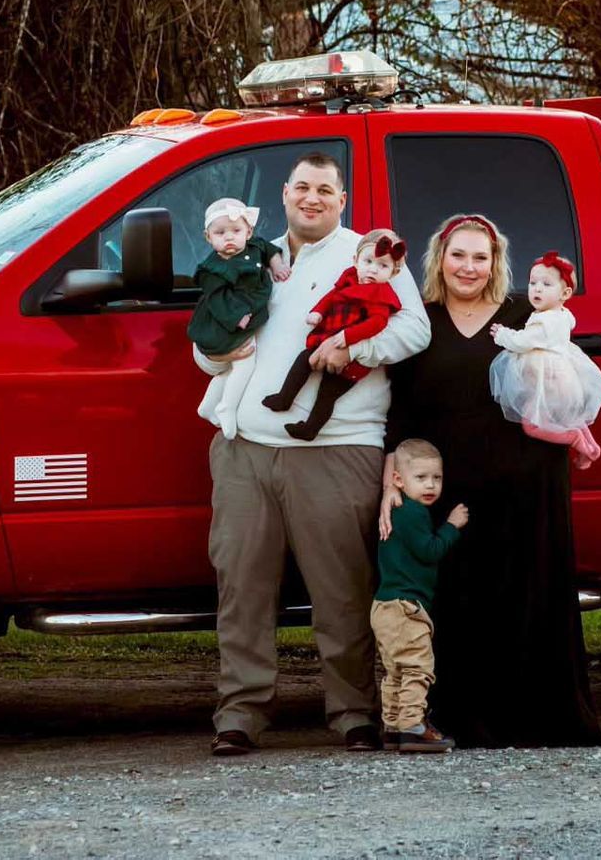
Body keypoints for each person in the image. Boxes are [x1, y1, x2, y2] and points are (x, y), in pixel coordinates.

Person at [193, 153, 430, 756]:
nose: (312, 198)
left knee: (341, 591)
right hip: (244, 448)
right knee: (242, 587)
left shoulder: (370, 253)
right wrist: (213, 354)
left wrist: (352, 344)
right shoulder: (251, 254)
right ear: (285, 193)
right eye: (302, 187)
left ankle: (353, 712)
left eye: (326, 189)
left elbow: (414, 330)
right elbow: (208, 329)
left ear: (342, 200)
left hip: (336, 448)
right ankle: (240, 712)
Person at [382, 214, 601, 749]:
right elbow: (399, 409)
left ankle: (534, 718)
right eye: (458, 255)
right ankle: (460, 717)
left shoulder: (526, 315)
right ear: (439, 259)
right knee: (457, 595)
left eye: (480, 257)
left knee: (523, 590)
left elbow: (565, 379)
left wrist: (573, 431)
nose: (469, 267)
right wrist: (392, 479)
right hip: (446, 486)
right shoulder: (418, 321)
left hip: (525, 480)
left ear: (496, 262)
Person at [372, 438, 469, 753]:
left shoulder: (398, 508)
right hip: (405, 607)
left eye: (436, 478)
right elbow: (429, 551)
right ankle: (413, 725)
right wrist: (452, 526)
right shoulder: (412, 512)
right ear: (398, 480)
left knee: (395, 670)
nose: (430, 485)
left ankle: (392, 726)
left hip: (384, 605)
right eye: (421, 477)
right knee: (417, 667)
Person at [263, 229, 407, 440]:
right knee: (304, 359)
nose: (373, 269)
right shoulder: (349, 279)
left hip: (353, 357)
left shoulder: (381, 293)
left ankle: (310, 429)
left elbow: (377, 323)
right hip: (328, 337)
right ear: (356, 260)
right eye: (368, 261)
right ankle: (284, 398)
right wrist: (318, 312)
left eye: (383, 266)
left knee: (327, 393)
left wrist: (349, 337)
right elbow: (332, 297)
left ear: (393, 273)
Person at [489, 250, 601, 470]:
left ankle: (575, 439)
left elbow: (521, 342)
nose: (537, 289)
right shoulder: (563, 314)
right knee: (568, 418)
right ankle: (590, 447)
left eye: (546, 284)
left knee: (532, 425)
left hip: (548, 384)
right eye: (533, 283)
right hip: (564, 380)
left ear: (565, 293)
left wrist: (502, 334)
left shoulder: (543, 323)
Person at [187, 200, 290, 430]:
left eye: (236, 231)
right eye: (220, 233)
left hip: (247, 313)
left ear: (249, 232)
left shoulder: (255, 246)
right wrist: (237, 318)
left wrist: (277, 265)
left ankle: (208, 406)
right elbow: (217, 299)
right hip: (225, 323)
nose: (229, 238)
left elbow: (269, 250)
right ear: (208, 237)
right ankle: (227, 407)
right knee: (244, 363)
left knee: (234, 368)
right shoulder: (211, 269)